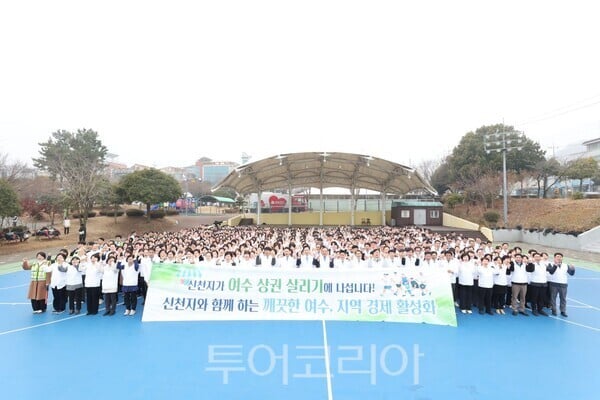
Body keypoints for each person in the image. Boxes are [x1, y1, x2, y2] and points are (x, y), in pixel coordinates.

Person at [547, 252, 575, 317]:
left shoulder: (566, 265)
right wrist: (555, 265)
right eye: (557, 257)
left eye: (560, 257)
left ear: (562, 258)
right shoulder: (550, 264)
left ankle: (563, 311)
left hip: (563, 284)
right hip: (553, 283)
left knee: (563, 298)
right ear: (554, 258)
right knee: (553, 298)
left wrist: (573, 269)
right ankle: (554, 310)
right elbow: (551, 272)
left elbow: (571, 273)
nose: (559, 258)